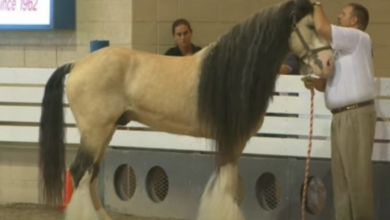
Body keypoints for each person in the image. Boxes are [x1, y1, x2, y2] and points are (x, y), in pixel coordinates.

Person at [303, 1, 376, 219]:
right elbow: (334, 83)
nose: (338, 16)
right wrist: (317, 84)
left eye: (343, 14)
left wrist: (316, 4)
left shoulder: (358, 37)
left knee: (357, 181)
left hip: (354, 115)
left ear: (354, 21)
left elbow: (322, 27)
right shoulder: (343, 50)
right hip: (343, 116)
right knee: (342, 181)